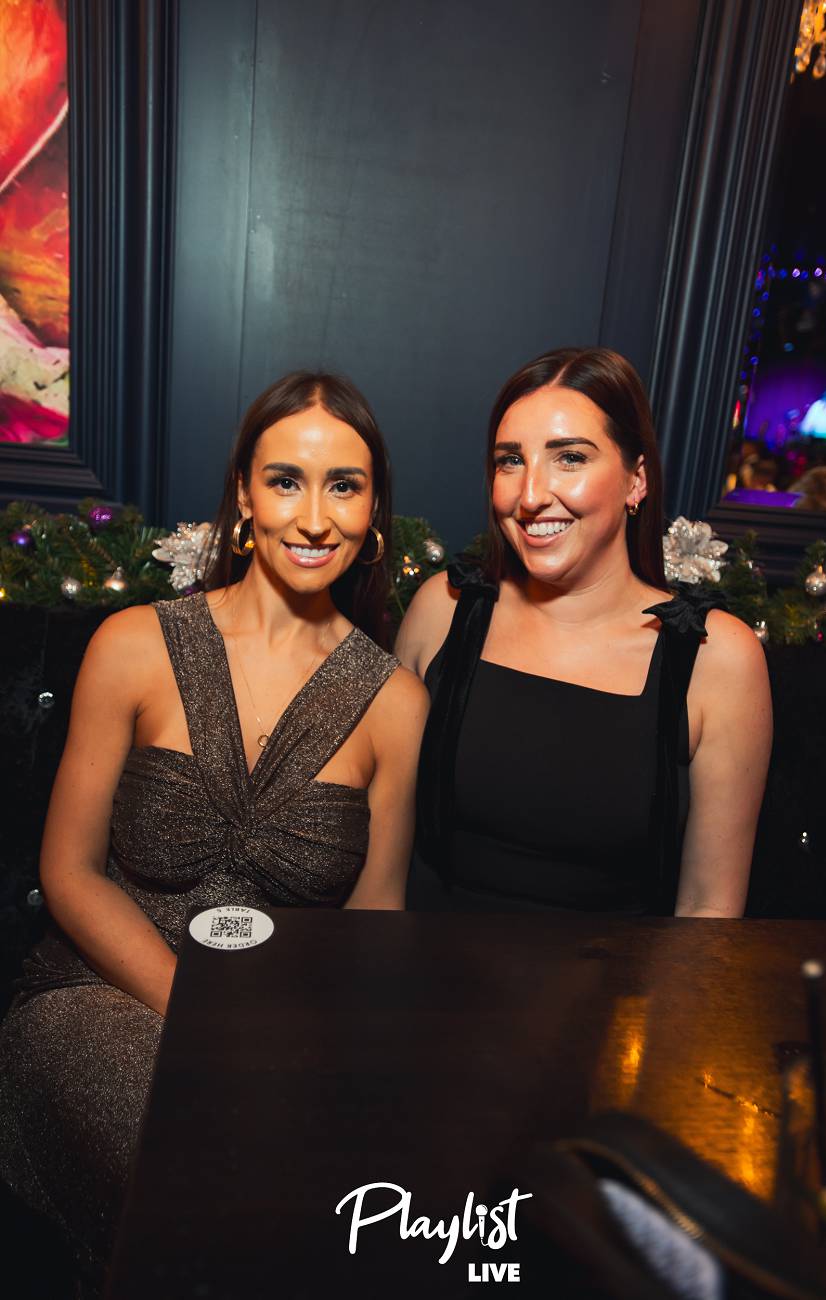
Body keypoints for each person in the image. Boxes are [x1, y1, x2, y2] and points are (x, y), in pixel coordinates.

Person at [0, 371, 428, 1291]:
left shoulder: (396, 703)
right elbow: (68, 872)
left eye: (344, 486)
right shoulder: (134, 645)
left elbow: (376, 917)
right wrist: (208, 1019)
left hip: (281, 1028)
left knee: (343, 1197)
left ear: (373, 512)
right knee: (214, 1167)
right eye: (286, 481)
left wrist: (331, 1054)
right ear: (243, 495)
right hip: (97, 995)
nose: (313, 518)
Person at [396, 347, 771, 916]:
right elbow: (384, 849)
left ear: (636, 481)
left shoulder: (714, 657)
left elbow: (708, 910)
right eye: (510, 460)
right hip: (426, 968)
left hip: (615, 976)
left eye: (569, 457)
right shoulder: (443, 611)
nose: (530, 495)